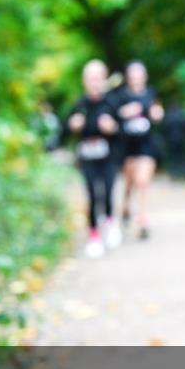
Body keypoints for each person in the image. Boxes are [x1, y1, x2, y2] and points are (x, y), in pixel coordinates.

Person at [64, 59, 123, 259]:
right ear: (84, 81)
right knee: (91, 194)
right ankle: (94, 235)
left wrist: (113, 128)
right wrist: (72, 126)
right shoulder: (79, 104)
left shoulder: (112, 102)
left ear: (104, 79)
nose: (94, 82)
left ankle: (110, 220)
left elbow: (124, 132)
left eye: (98, 78)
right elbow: (64, 131)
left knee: (107, 191)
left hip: (109, 156)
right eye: (91, 78)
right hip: (87, 155)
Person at [114, 60, 163, 240]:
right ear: (128, 77)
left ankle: (143, 220)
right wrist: (125, 112)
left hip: (146, 146)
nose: (136, 78)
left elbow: (157, 110)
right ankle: (126, 207)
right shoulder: (121, 96)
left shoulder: (151, 93)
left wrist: (158, 113)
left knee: (143, 181)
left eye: (139, 75)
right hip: (127, 147)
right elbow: (113, 115)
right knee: (130, 183)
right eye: (133, 75)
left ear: (145, 77)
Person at [162, 102, 185, 181]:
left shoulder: (168, 117)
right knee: (184, 158)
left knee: (173, 158)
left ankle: (174, 175)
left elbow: (164, 129)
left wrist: (165, 140)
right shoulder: (183, 116)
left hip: (171, 141)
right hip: (183, 141)